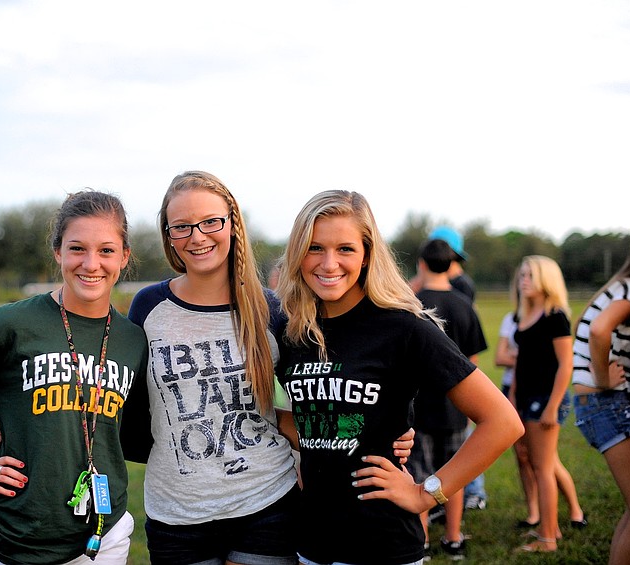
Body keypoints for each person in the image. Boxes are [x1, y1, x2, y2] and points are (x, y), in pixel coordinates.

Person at [120, 172, 414, 565]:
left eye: (211, 222)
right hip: (177, 512)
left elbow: (324, 391)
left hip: (267, 504)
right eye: (182, 226)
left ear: (232, 223)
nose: (198, 236)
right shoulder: (147, 307)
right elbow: (115, 392)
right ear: (168, 234)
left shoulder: (274, 310)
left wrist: (385, 433)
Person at [273, 190, 522, 565]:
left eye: (345, 249)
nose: (328, 263)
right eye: (314, 248)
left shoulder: (404, 326)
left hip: (382, 543)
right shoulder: (293, 331)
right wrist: (272, 418)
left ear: (367, 254)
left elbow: (502, 422)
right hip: (312, 541)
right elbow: (315, 426)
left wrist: (426, 493)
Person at [0, 190, 149, 564]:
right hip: (16, 536)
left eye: (105, 250)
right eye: (76, 249)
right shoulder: (9, 324)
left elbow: (127, 427)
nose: (91, 264)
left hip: (105, 531)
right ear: (58, 252)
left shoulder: (132, 339)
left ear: (124, 256)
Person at [571, 226, 630, 565]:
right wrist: (604, 378)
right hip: (609, 403)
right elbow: (600, 329)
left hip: (596, 404)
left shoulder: (619, 286)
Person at [409, 238, 488, 560]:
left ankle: (423, 541)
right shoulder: (464, 304)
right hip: (456, 407)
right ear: (453, 265)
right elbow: (473, 364)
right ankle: (453, 538)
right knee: (453, 475)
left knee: (417, 476)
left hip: (416, 408)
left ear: (422, 264)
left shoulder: (411, 303)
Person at [497, 276, 585, 531]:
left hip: (544, 398)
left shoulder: (556, 316)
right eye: (522, 275)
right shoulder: (524, 315)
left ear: (547, 280)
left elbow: (566, 365)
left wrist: (552, 406)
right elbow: (520, 363)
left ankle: (549, 534)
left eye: (531, 275)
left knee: (544, 465)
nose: (523, 280)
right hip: (523, 397)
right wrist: (512, 396)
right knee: (536, 461)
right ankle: (545, 523)